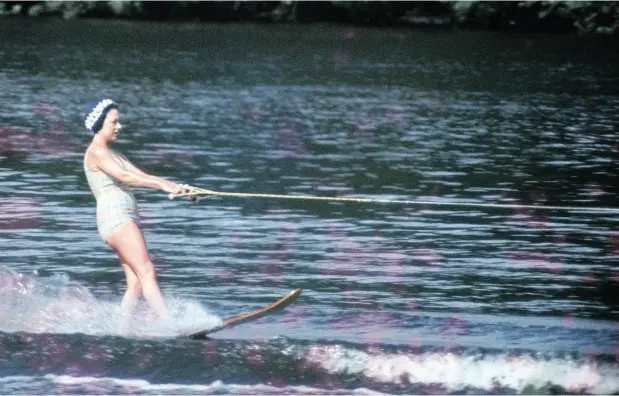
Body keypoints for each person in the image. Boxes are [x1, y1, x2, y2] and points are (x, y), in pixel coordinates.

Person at [83, 99, 186, 321]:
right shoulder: (96, 151)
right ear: (100, 123)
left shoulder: (115, 155)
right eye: (114, 122)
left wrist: (176, 187)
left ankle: (120, 327)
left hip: (122, 218)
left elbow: (140, 176)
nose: (119, 127)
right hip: (117, 219)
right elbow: (125, 177)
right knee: (147, 270)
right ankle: (171, 324)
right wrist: (162, 185)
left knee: (137, 282)